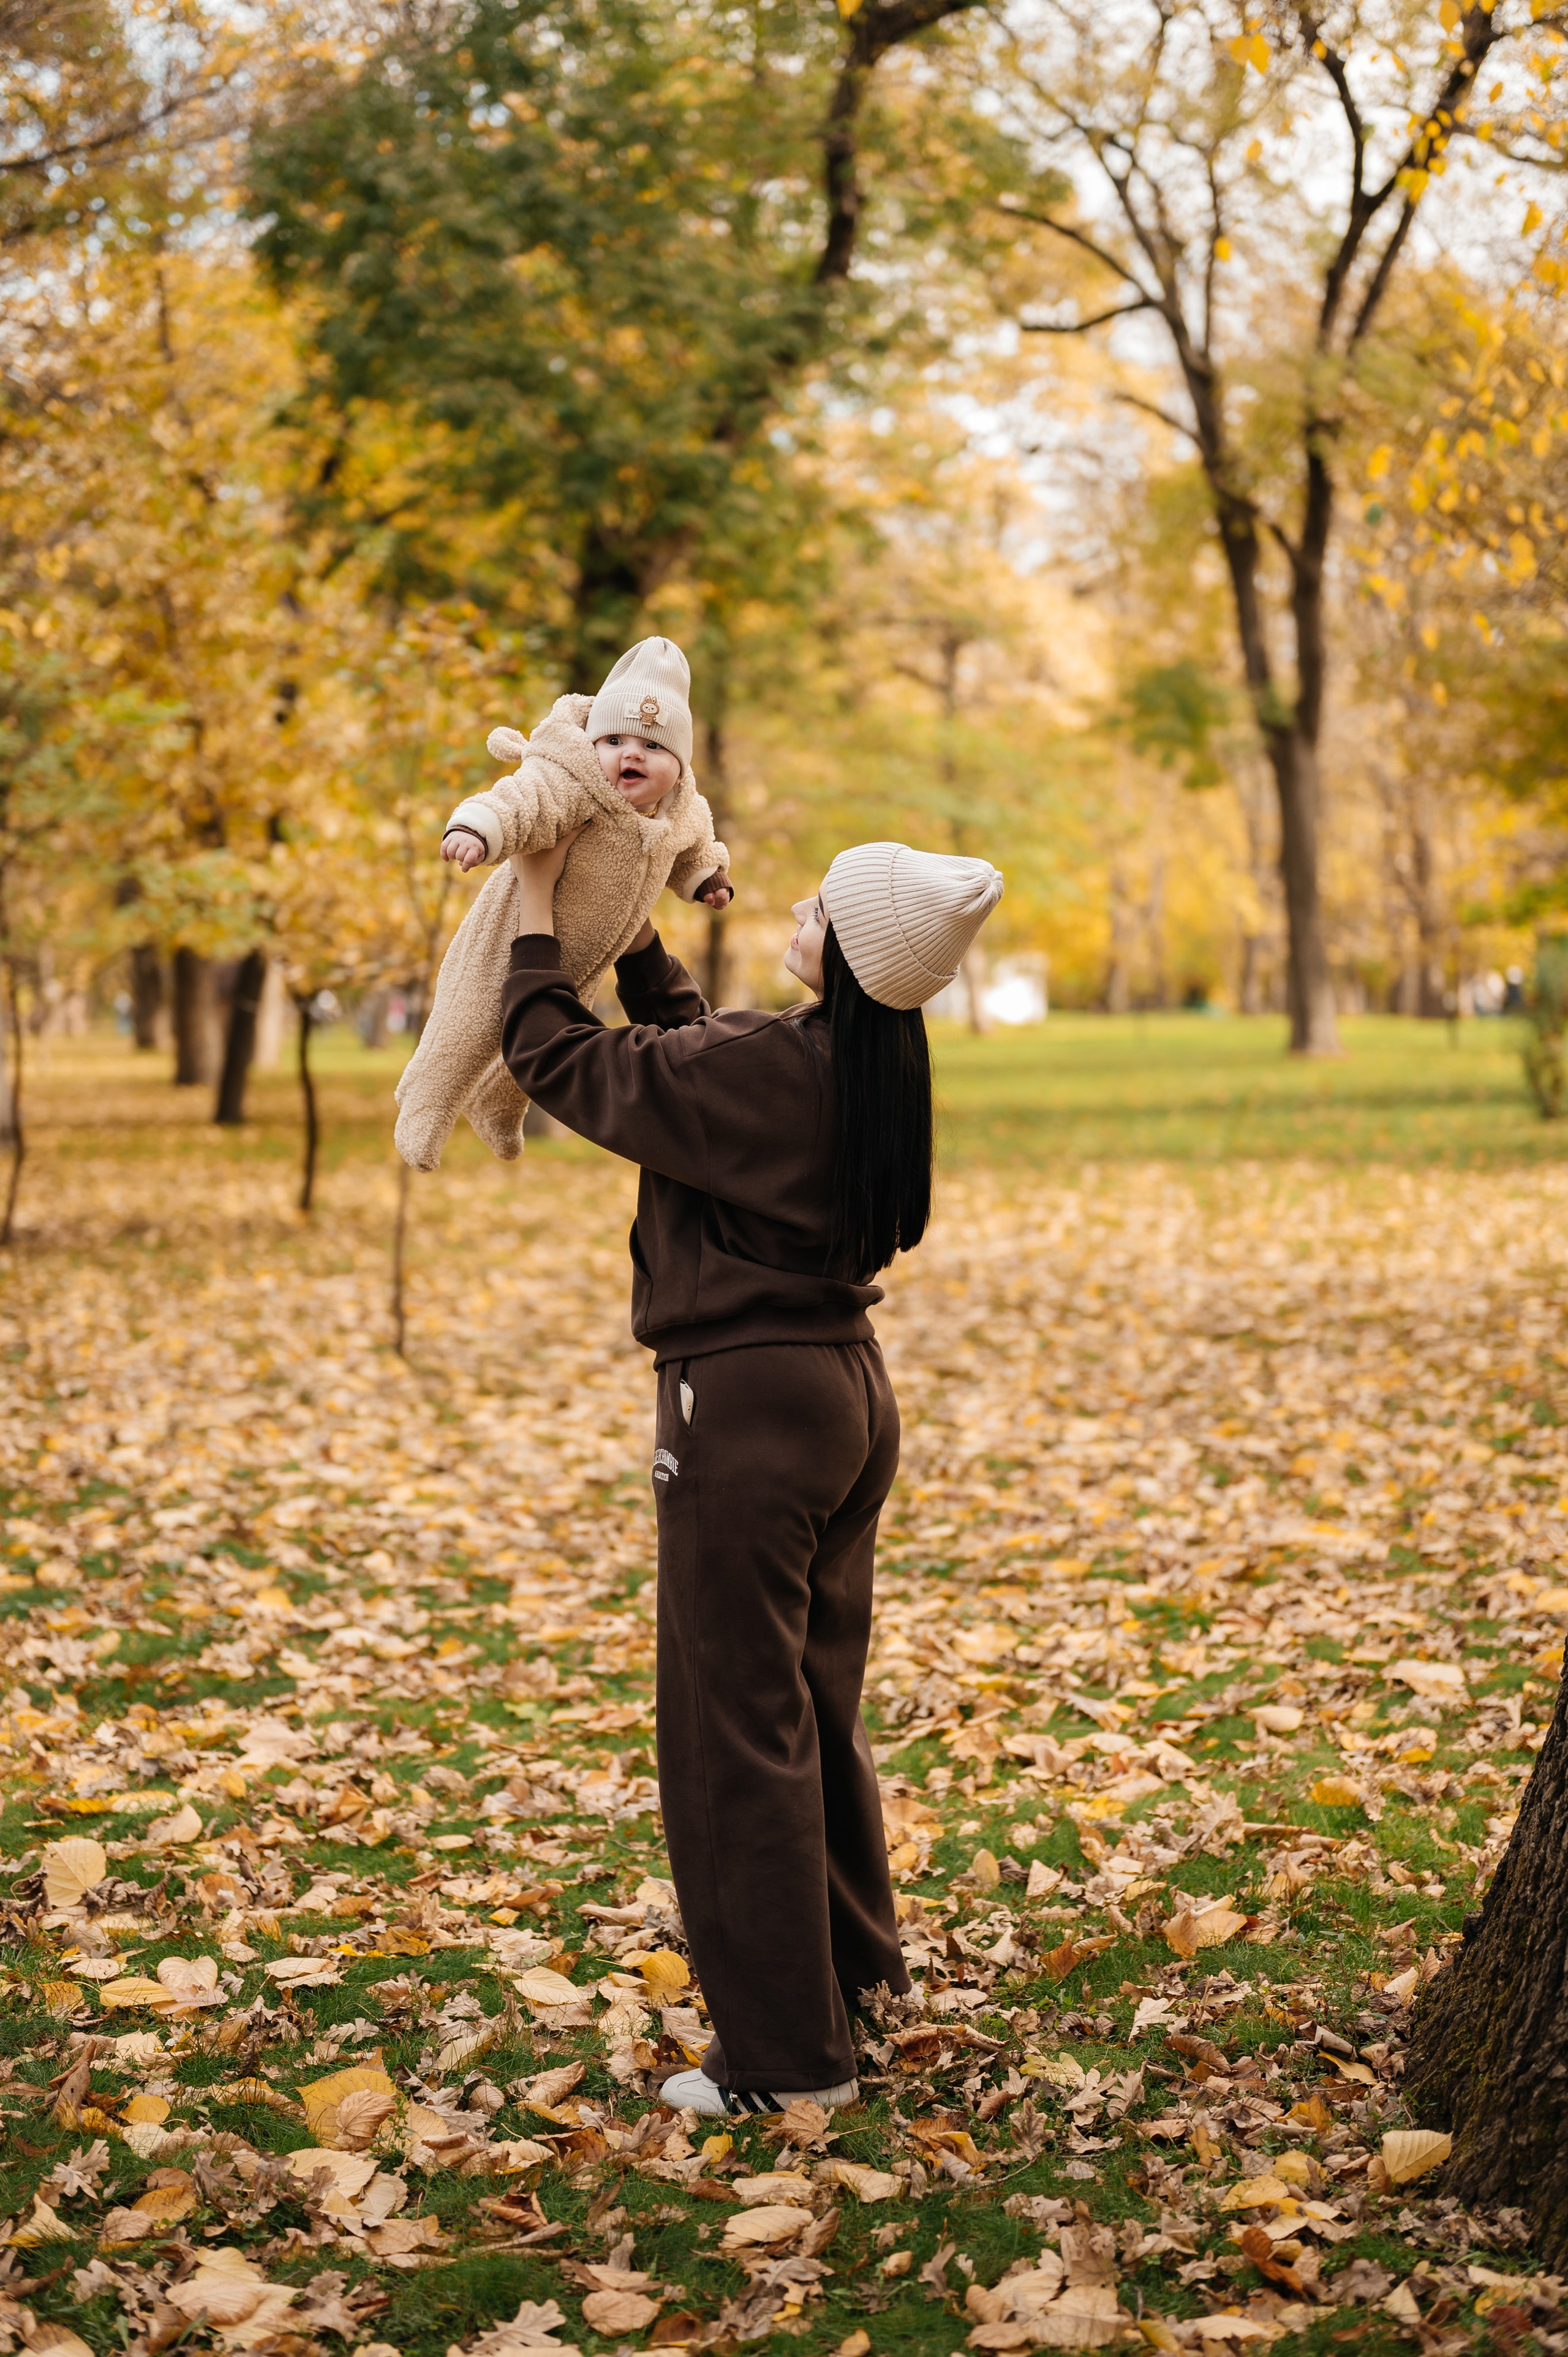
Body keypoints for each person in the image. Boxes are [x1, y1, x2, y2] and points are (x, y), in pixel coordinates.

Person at [500, 835, 1004, 2116]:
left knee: (735, 1738)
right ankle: (851, 1983)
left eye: (818, 904)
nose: (796, 908)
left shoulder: (780, 1066)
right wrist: (643, 949)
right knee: (808, 1713)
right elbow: (700, 1066)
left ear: (850, 946)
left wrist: (531, 919)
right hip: (841, 1395)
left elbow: (560, 1060)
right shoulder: (870, 1061)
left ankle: (787, 2067)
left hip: (744, 1414)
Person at [393, 637, 734, 1172]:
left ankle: (498, 1109)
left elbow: (694, 850)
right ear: (592, 742)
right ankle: (424, 1103)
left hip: (585, 956)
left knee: (543, 1046)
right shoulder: (571, 783)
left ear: (680, 764)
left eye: (654, 746)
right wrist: (477, 830)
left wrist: (706, 880)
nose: (631, 754)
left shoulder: (684, 811)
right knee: (472, 1025)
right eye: (615, 738)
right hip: (512, 936)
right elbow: (520, 801)